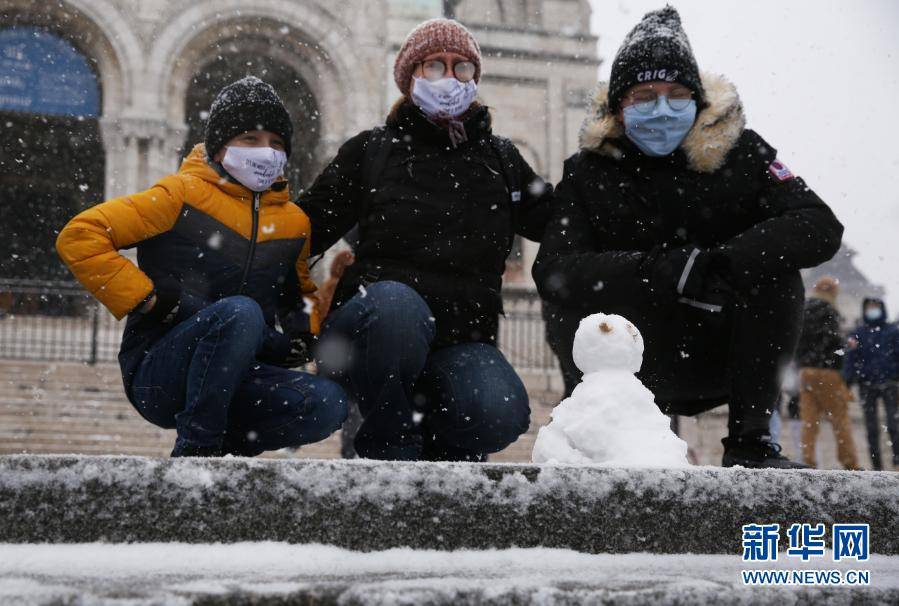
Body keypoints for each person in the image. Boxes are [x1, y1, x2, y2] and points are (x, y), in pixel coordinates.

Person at [532, 6, 843, 469]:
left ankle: (752, 443)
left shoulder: (742, 153)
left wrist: (720, 263)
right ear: (619, 106)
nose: (661, 108)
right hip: (631, 356)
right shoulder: (588, 172)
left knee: (777, 274)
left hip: (719, 348)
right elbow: (554, 269)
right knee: (570, 298)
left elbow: (818, 225)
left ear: (698, 100)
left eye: (676, 94)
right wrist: (661, 270)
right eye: (645, 94)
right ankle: (597, 432)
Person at [300, 18, 554, 461]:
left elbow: (562, 224)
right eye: (435, 65)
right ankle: (389, 451)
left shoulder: (500, 158)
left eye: (462, 68)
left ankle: (448, 456)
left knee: (500, 409)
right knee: (397, 308)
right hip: (372, 334)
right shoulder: (371, 151)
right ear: (410, 76)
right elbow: (302, 229)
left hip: (459, 340)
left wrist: (607, 177)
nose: (450, 78)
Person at [56, 77, 347, 457]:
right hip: (161, 371)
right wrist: (148, 299)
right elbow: (81, 235)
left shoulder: (294, 222)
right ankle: (195, 456)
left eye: (277, 144)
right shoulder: (180, 194)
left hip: (240, 373)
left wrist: (300, 335)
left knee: (328, 402)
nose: (266, 152)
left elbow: (301, 291)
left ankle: (228, 455)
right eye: (250, 139)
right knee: (240, 312)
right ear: (220, 145)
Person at [795, 277, 859, 469]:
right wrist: (845, 346)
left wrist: (803, 360)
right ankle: (850, 462)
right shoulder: (830, 310)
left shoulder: (803, 309)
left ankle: (807, 459)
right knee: (840, 419)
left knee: (809, 420)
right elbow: (831, 341)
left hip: (805, 371)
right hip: (827, 372)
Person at [845, 297, 899, 470]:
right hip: (866, 385)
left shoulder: (893, 331)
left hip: (890, 383)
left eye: (875, 307)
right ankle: (876, 466)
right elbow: (850, 358)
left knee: (893, 424)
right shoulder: (857, 333)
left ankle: (897, 459)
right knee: (871, 428)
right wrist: (848, 381)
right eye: (869, 307)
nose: (872, 310)